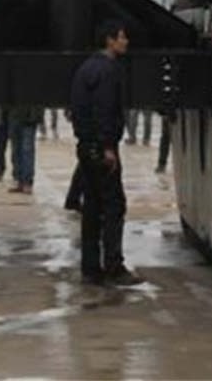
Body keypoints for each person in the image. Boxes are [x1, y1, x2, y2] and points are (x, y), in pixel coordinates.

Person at [69, 19, 144, 286]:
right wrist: (108, 147)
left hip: (85, 147)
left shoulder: (86, 68)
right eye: (122, 37)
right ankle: (114, 266)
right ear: (109, 40)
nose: (126, 42)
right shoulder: (108, 71)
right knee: (114, 205)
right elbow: (104, 110)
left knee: (91, 207)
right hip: (101, 149)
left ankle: (90, 268)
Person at [7, 105, 43, 194]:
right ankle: (19, 180)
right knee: (16, 150)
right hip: (15, 115)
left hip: (29, 117)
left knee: (27, 149)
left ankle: (26, 181)